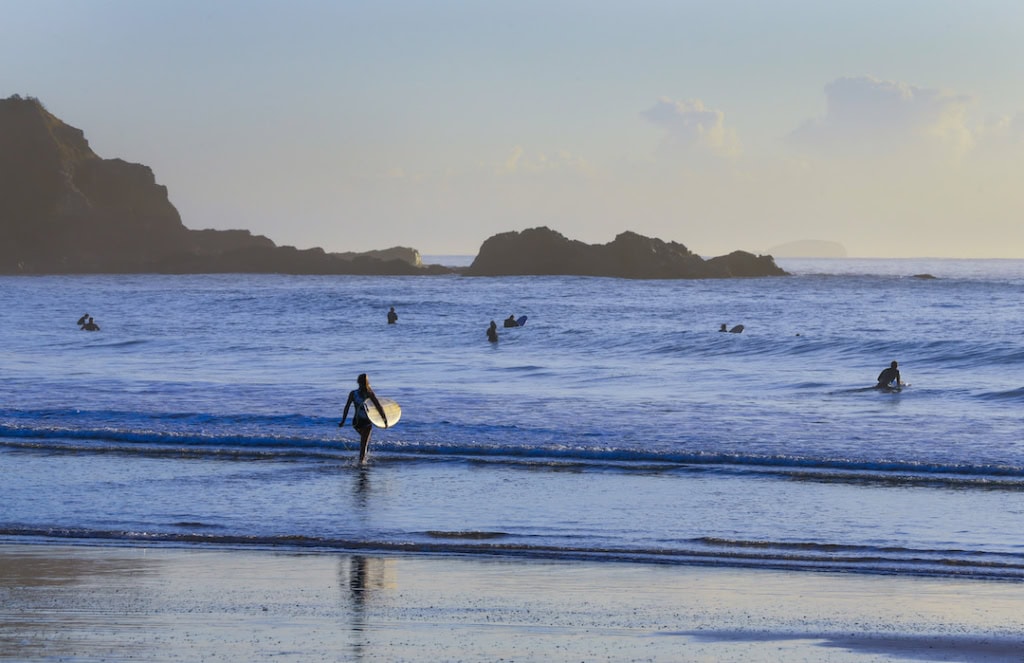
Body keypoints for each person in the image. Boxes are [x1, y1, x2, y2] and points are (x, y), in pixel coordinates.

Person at [339, 373, 388, 464]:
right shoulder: (369, 393)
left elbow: (347, 407)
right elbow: (378, 406)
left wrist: (343, 420)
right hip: (366, 422)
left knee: (364, 441)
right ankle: (362, 463)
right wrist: (384, 419)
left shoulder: (353, 394)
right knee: (364, 444)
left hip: (356, 422)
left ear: (358, 382)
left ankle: (362, 460)